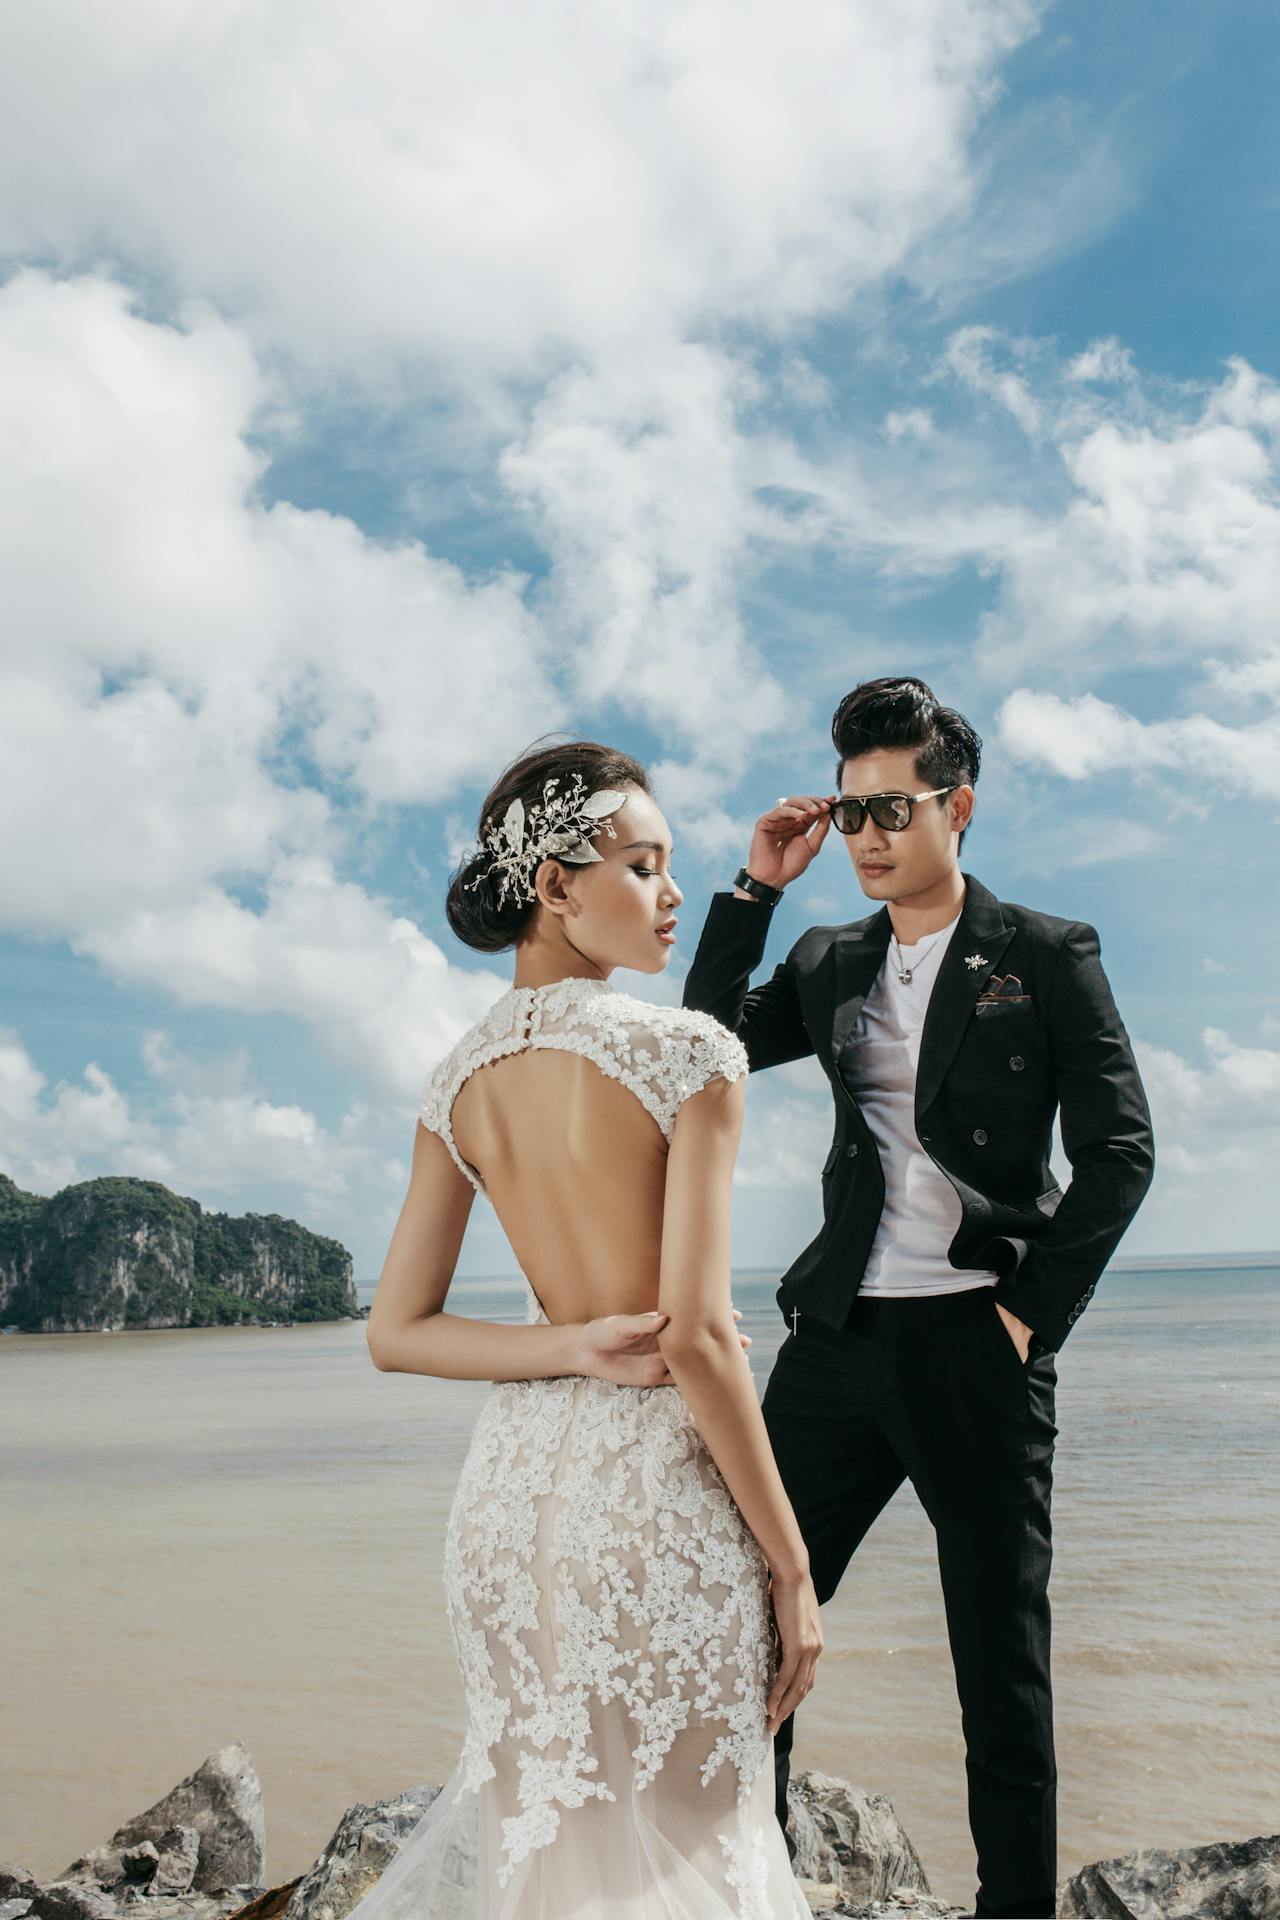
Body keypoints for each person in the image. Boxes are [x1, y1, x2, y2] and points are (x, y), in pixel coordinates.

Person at [682, 677, 1155, 1920]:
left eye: (891, 809)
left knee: (999, 1668)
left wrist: (1028, 1314)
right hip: (835, 1339)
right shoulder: (828, 953)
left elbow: (1119, 1150)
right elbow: (705, 1043)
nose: (868, 838)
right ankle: (757, 1889)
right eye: (848, 814)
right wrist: (754, 891)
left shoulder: (1044, 955)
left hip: (976, 1343)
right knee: (744, 1622)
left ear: (957, 805)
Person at [350, 738, 820, 1920]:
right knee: (693, 1843)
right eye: (642, 866)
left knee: (549, 1847)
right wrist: (791, 1564)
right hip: (653, 1508)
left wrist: (565, 1344)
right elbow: (701, 1342)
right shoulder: (689, 1053)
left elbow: (396, 1331)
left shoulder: (453, 1082)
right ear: (554, 886)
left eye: (673, 869)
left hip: (507, 1514)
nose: (669, 897)